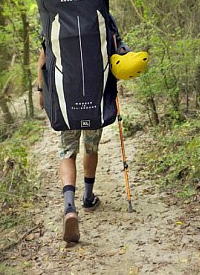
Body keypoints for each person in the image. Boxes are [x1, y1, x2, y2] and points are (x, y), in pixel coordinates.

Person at [36, 13, 128, 243]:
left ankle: (69, 206)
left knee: (67, 151)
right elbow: (118, 55)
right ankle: (88, 197)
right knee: (91, 147)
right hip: (94, 93)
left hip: (65, 95)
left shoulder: (53, 20)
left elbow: (43, 61)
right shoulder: (102, 17)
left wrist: (41, 90)